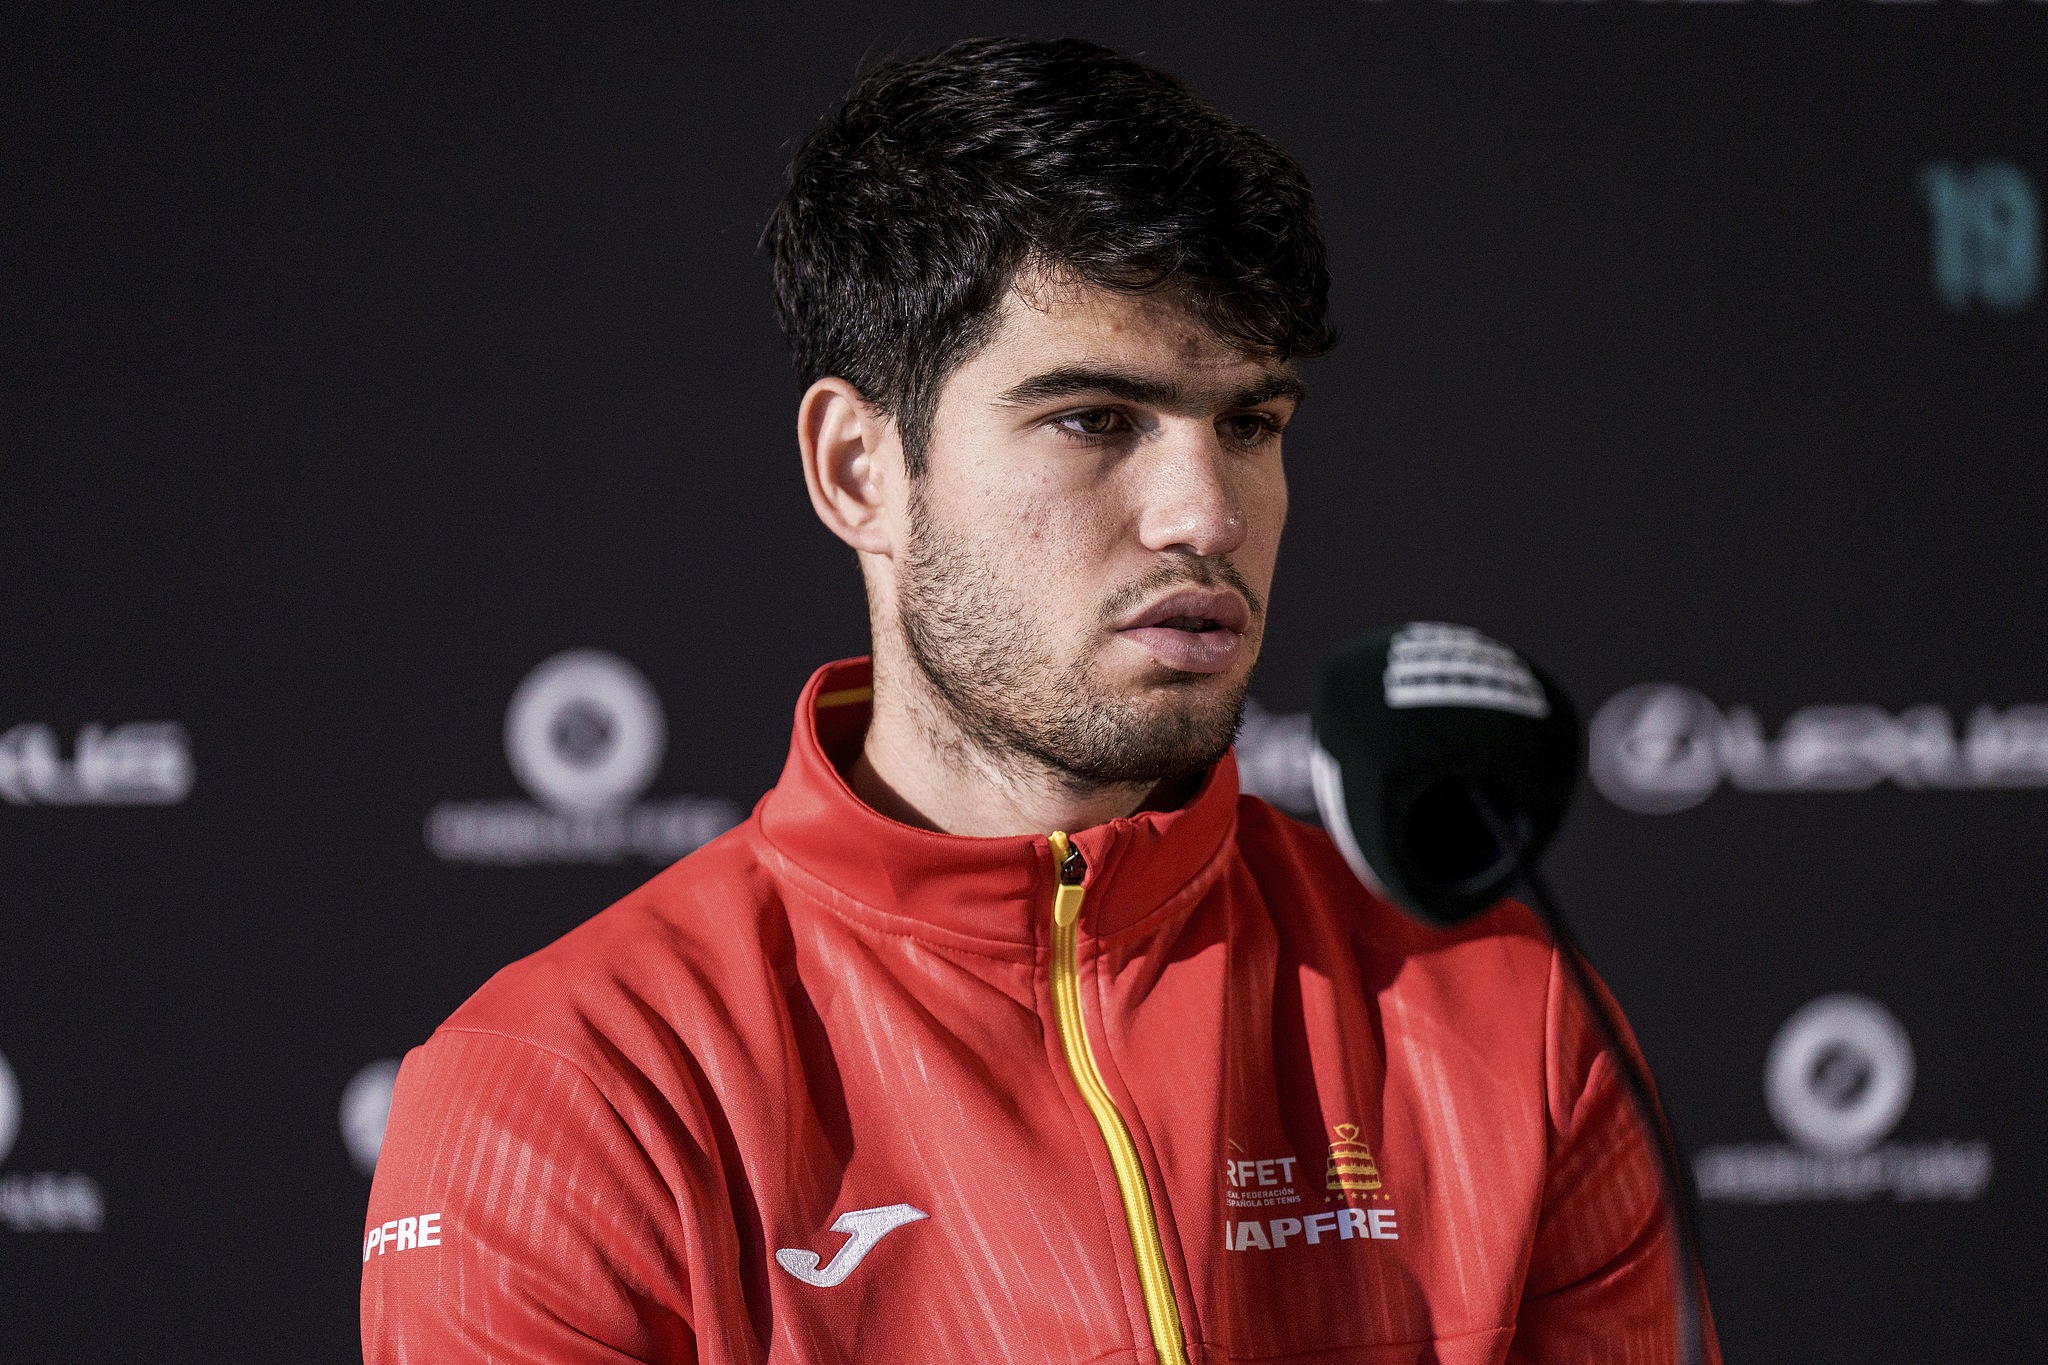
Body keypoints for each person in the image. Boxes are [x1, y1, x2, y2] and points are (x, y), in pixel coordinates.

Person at [361, 37, 1717, 1364]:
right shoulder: (574, 1094)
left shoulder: (1513, 1028)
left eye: (1249, 425)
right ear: (859, 471)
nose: (1206, 514)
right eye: (1095, 419)